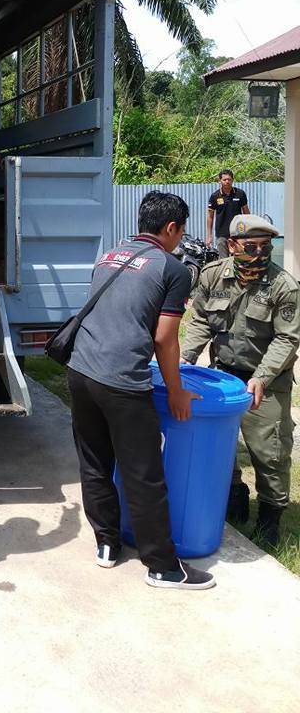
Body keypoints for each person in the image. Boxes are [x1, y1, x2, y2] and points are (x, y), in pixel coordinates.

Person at [67, 191, 215, 590]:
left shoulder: (110, 255)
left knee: (95, 462)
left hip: (80, 372)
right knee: (143, 473)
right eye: (181, 232)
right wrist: (177, 390)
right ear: (171, 229)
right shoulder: (172, 268)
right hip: (121, 381)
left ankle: (106, 545)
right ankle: (163, 566)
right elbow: (166, 340)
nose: (180, 239)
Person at [181, 214, 299, 546]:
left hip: (267, 381)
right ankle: (233, 496)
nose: (260, 254)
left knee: (270, 452)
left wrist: (261, 377)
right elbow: (202, 319)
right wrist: (185, 360)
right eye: (252, 247)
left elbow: (287, 339)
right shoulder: (213, 276)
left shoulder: (282, 286)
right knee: (222, 445)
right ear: (232, 246)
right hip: (222, 377)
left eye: (266, 247)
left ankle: (270, 517)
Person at [206, 169, 250, 259]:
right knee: (224, 261)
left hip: (238, 233)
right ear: (220, 181)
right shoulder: (215, 196)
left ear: (232, 180)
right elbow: (210, 216)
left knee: (238, 259)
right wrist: (209, 236)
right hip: (222, 235)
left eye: (229, 179)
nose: (227, 181)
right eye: (224, 179)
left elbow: (246, 212)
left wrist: (248, 230)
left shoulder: (240, 194)